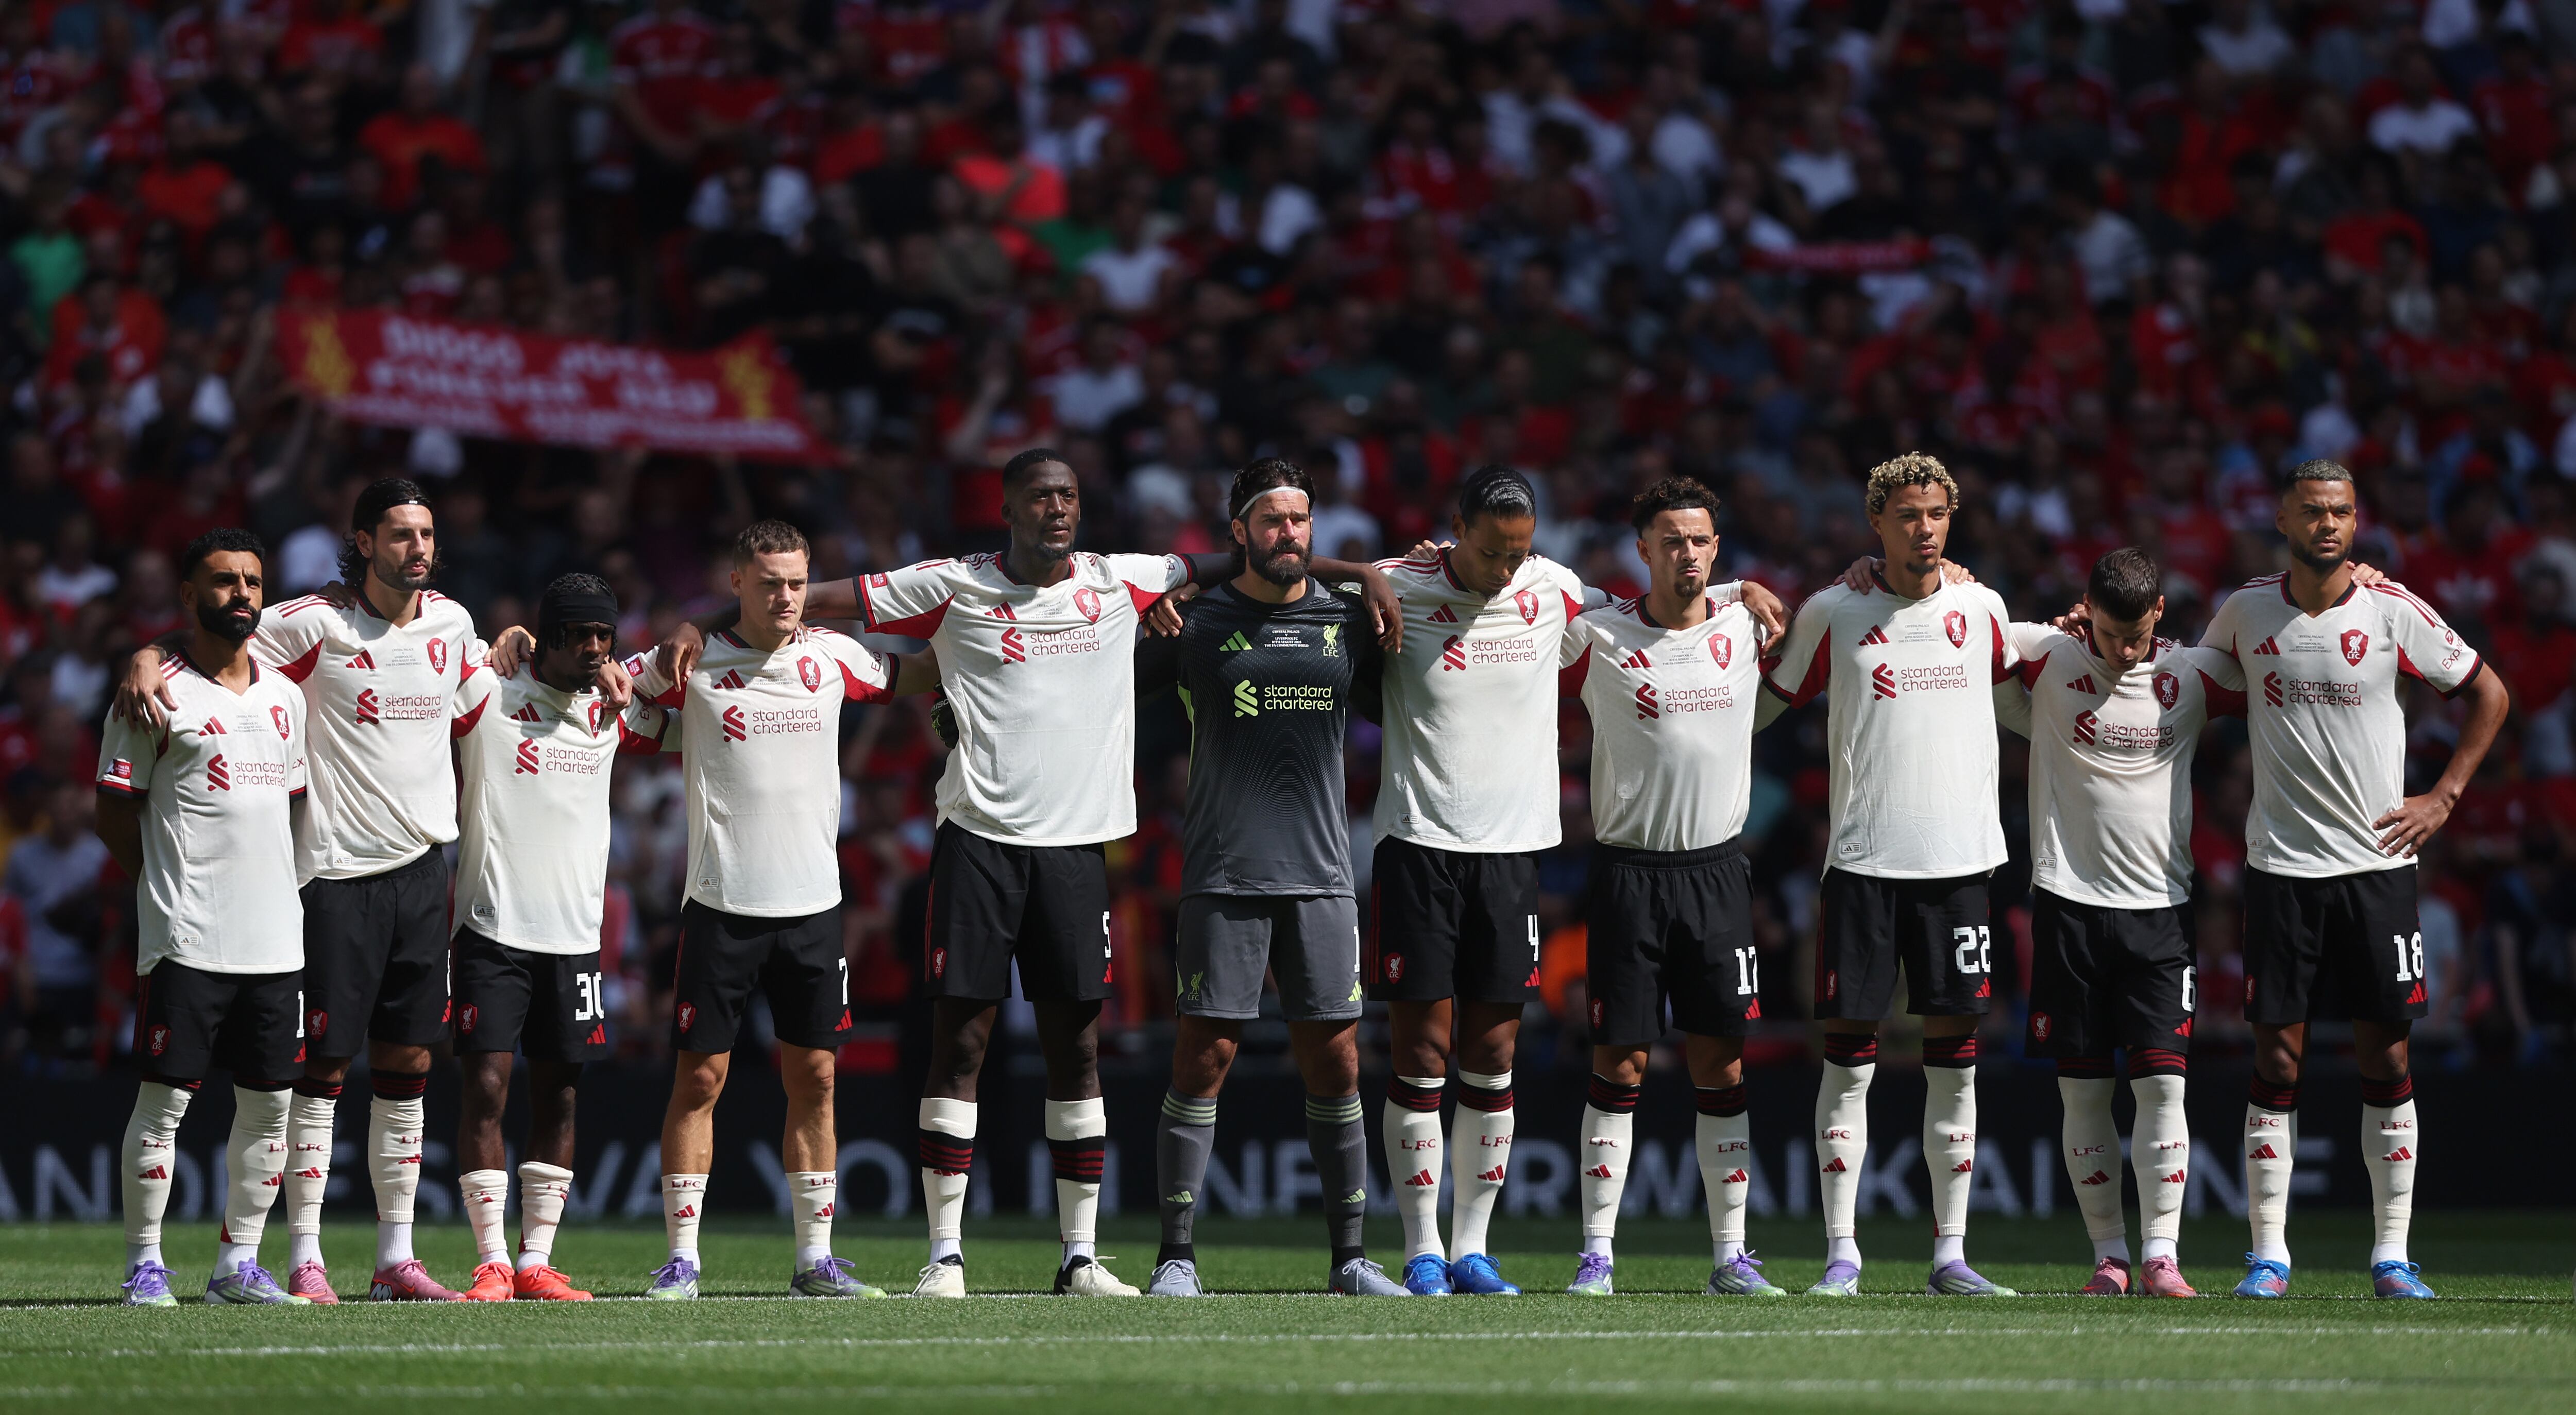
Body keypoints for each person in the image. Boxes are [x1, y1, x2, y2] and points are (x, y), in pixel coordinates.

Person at [653, 448, 1396, 1298]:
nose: (1058, 510)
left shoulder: (1124, 580)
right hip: (976, 841)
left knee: (1075, 1052)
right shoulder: (951, 582)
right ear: (1008, 509)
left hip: (1079, 849)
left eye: (1070, 496)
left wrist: (1360, 573)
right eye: (1041, 497)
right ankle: (945, 1256)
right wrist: (696, 626)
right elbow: (789, 599)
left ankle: (1080, 1256)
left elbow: (1255, 554)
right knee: (960, 1046)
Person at [1367, 464, 1783, 1295]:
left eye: (1520, 550)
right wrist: (1365, 572)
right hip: (1420, 843)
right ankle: (1422, 1248)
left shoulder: (1555, 591)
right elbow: (1298, 581)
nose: (1506, 568)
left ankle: (1474, 1249)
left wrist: (1742, 586)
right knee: (1421, 1054)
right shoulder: (1403, 588)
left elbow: (1671, 594)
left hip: (1520, 851)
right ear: (1458, 530)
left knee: (1493, 1056)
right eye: (1490, 551)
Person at [115, 478, 496, 1302]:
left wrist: (529, 646)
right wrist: (144, 656)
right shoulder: (314, 624)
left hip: (425, 871)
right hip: (332, 877)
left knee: (409, 1064)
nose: (419, 548)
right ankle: (304, 1255)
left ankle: (396, 1257)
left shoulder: (454, 623)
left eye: (427, 533)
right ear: (363, 542)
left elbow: (481, 707)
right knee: (317, 1070)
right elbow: (217, 643)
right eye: (399, 534)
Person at [2195, 459, 2508, 1300]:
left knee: (2388, 1050)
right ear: (2284, 520)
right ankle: (2269, 1255)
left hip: (2378, 866)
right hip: (2282, 870)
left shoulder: (2393, 609)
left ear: (2355, 519)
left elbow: (2490, 694)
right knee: (2280, 1055)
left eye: (2339, 512)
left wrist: (2443, 797)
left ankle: (2392, 1256)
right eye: (2312, 512)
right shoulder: (2246, 610)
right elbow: (2183, 685)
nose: (2327, 525)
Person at [629, 520, 937, 1301]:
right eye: (769, 582)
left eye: (798, 582)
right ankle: (682, 1262)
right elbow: (605, 679)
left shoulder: (833, 655)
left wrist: (989, 630)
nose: (786, 597)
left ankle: (814, 1261)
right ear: (737, 582)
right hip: (722, 905)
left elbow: (915, 673)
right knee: (700, 1081)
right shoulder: (690, 662)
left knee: (819, 1080)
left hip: (813, 909)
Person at [1131, 458, 1406, 1298]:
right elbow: (1098, 690)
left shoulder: (1350, 621)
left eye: (1300, 520)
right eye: (1272, 520)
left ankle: (1351, 1259)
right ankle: (1176, 1255)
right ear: (1238, 534)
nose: (1289, 534)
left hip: (1323, 875)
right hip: (1223, 871)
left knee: (1337, 1064)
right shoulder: (1195, 623)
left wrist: (1366, 576)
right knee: (1204, 1055)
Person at [1760, 452, 2022, 1298]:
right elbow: (1765, 703)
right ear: (1876, 523)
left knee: (1957, 1066)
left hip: (1960, 871)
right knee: (1849, 1066)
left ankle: (1951, 1252)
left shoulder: (1984, 608)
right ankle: (1844, 1252)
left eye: (1938, 514)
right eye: (1908, 515)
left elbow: (2031, 692)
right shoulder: (1834, 610)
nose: (1925, 529)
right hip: (1865, 867)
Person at [1555, 476, 1786, 1299]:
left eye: (1700, 541)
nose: (1687, 553)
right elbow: (1510, 618)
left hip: (1717, 876)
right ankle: (1597, 1254)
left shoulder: (1748, 626)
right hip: (1628, 874)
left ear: (1715, 549)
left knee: (1720, 1067)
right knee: (1620, 1062)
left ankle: (1730, 1255)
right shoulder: (1599, 637)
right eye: (1671, 540)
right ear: (1642, 549)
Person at [1999, 547, 2241, 1299]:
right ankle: (2109, 1256)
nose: (2123, 651)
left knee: (2163, 1092)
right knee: (2084, 1095)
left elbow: (2283, 666)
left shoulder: (2194, 673)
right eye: (2108, 634)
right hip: (2068, 906)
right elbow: (1952, 634)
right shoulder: (2045, 656)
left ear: (2159, 613)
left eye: (2136, 636)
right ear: (2086, 611)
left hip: (2162, 916)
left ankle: (2162, 1255)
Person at [98, 528, 311, 1305]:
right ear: (188, 595)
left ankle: (238, 1265)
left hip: (276, 939)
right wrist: (163, 884)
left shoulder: (287, 698)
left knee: (270, 1109)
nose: (242, 595)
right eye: (223, 582)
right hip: (188, 933)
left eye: (253, 581)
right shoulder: (152, 692)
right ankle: (146, 1262)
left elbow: (289, 814)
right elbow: (114, 810)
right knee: (165, 1104)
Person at [446, 573, 670, 1302]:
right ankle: (491, 1263)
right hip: (491, 927)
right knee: (485, 1085)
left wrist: (637, 673)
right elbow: (438, 662)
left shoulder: (611, 708)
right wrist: (498, 638)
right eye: (582, 640)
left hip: (575, 939)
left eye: (605, 641)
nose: (595, 653)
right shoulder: (490, 695)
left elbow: (683, 663)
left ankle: (536, 1260)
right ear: (549, 638)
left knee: (561, 1096)